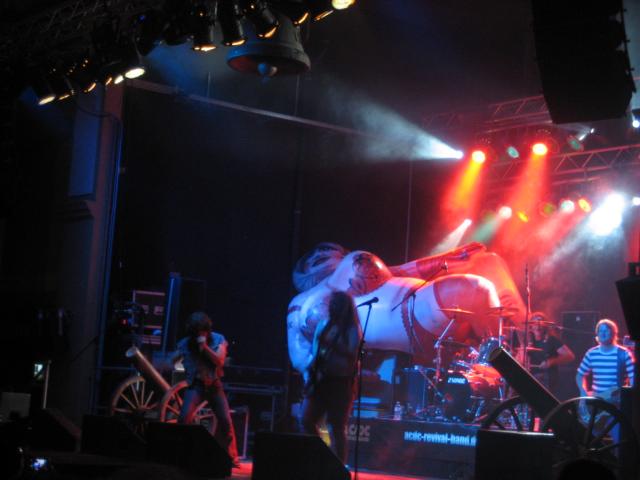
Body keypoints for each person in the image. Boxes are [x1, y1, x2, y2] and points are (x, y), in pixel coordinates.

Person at [300, 291, 362, 463]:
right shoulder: (323, 324)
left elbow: (352, 355)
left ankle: (339, 467)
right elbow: (316, 351)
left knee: (336, 427)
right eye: (331, 303)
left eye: (336, 303)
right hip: (320, 380)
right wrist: (309, 370)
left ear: (344, 307)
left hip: (340, 383)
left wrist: (332, 345)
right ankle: (322, 457)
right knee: (306, 420)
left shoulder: (352, 329)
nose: (332, 306)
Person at [171, 311, 238, 465]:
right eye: (197, 333)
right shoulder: (184, 343)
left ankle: (232, 457)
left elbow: (220, 361)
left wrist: (204, 347)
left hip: (214, 385)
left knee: (225, 421)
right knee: (183, 418)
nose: (201, 335)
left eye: (203, 332)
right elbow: (173, 360)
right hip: (196, 385)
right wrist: (175, 360)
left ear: (208, 330)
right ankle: (181, 453)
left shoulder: (219, 339)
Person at [576, 318, 634, 402]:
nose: (603, 333)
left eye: (606, 330)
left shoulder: (624, 354)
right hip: (597, 401)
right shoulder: (591, 353)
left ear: (614, 333)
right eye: (600, 331)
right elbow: (580, 375)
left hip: (617, 401)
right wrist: (583, 391)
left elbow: (633, 378)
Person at [526, 312, 575, 394]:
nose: (538, 326)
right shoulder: (527, 340)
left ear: (545, 326)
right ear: (531, 326)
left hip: (547, 378)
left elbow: (570, 356)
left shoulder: (552, 340)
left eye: (540, 323)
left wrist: (551, 361)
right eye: (535, 323)